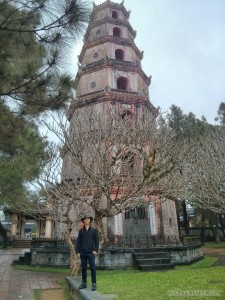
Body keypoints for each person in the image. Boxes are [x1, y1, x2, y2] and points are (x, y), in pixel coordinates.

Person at [75, 215, 99, 291]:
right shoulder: (81, 231)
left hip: (91, 253)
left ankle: (94, 284)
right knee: (84, 268)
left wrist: (95, 250)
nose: (86, 220)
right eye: (85, 219)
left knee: (93, 268)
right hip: (83, 253)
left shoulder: (94, 230)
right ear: (83, 221)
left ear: (90, 221)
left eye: (88, 219)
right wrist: (78, 252)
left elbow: (96, 241)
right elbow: (78, 242)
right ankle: (84, 282)